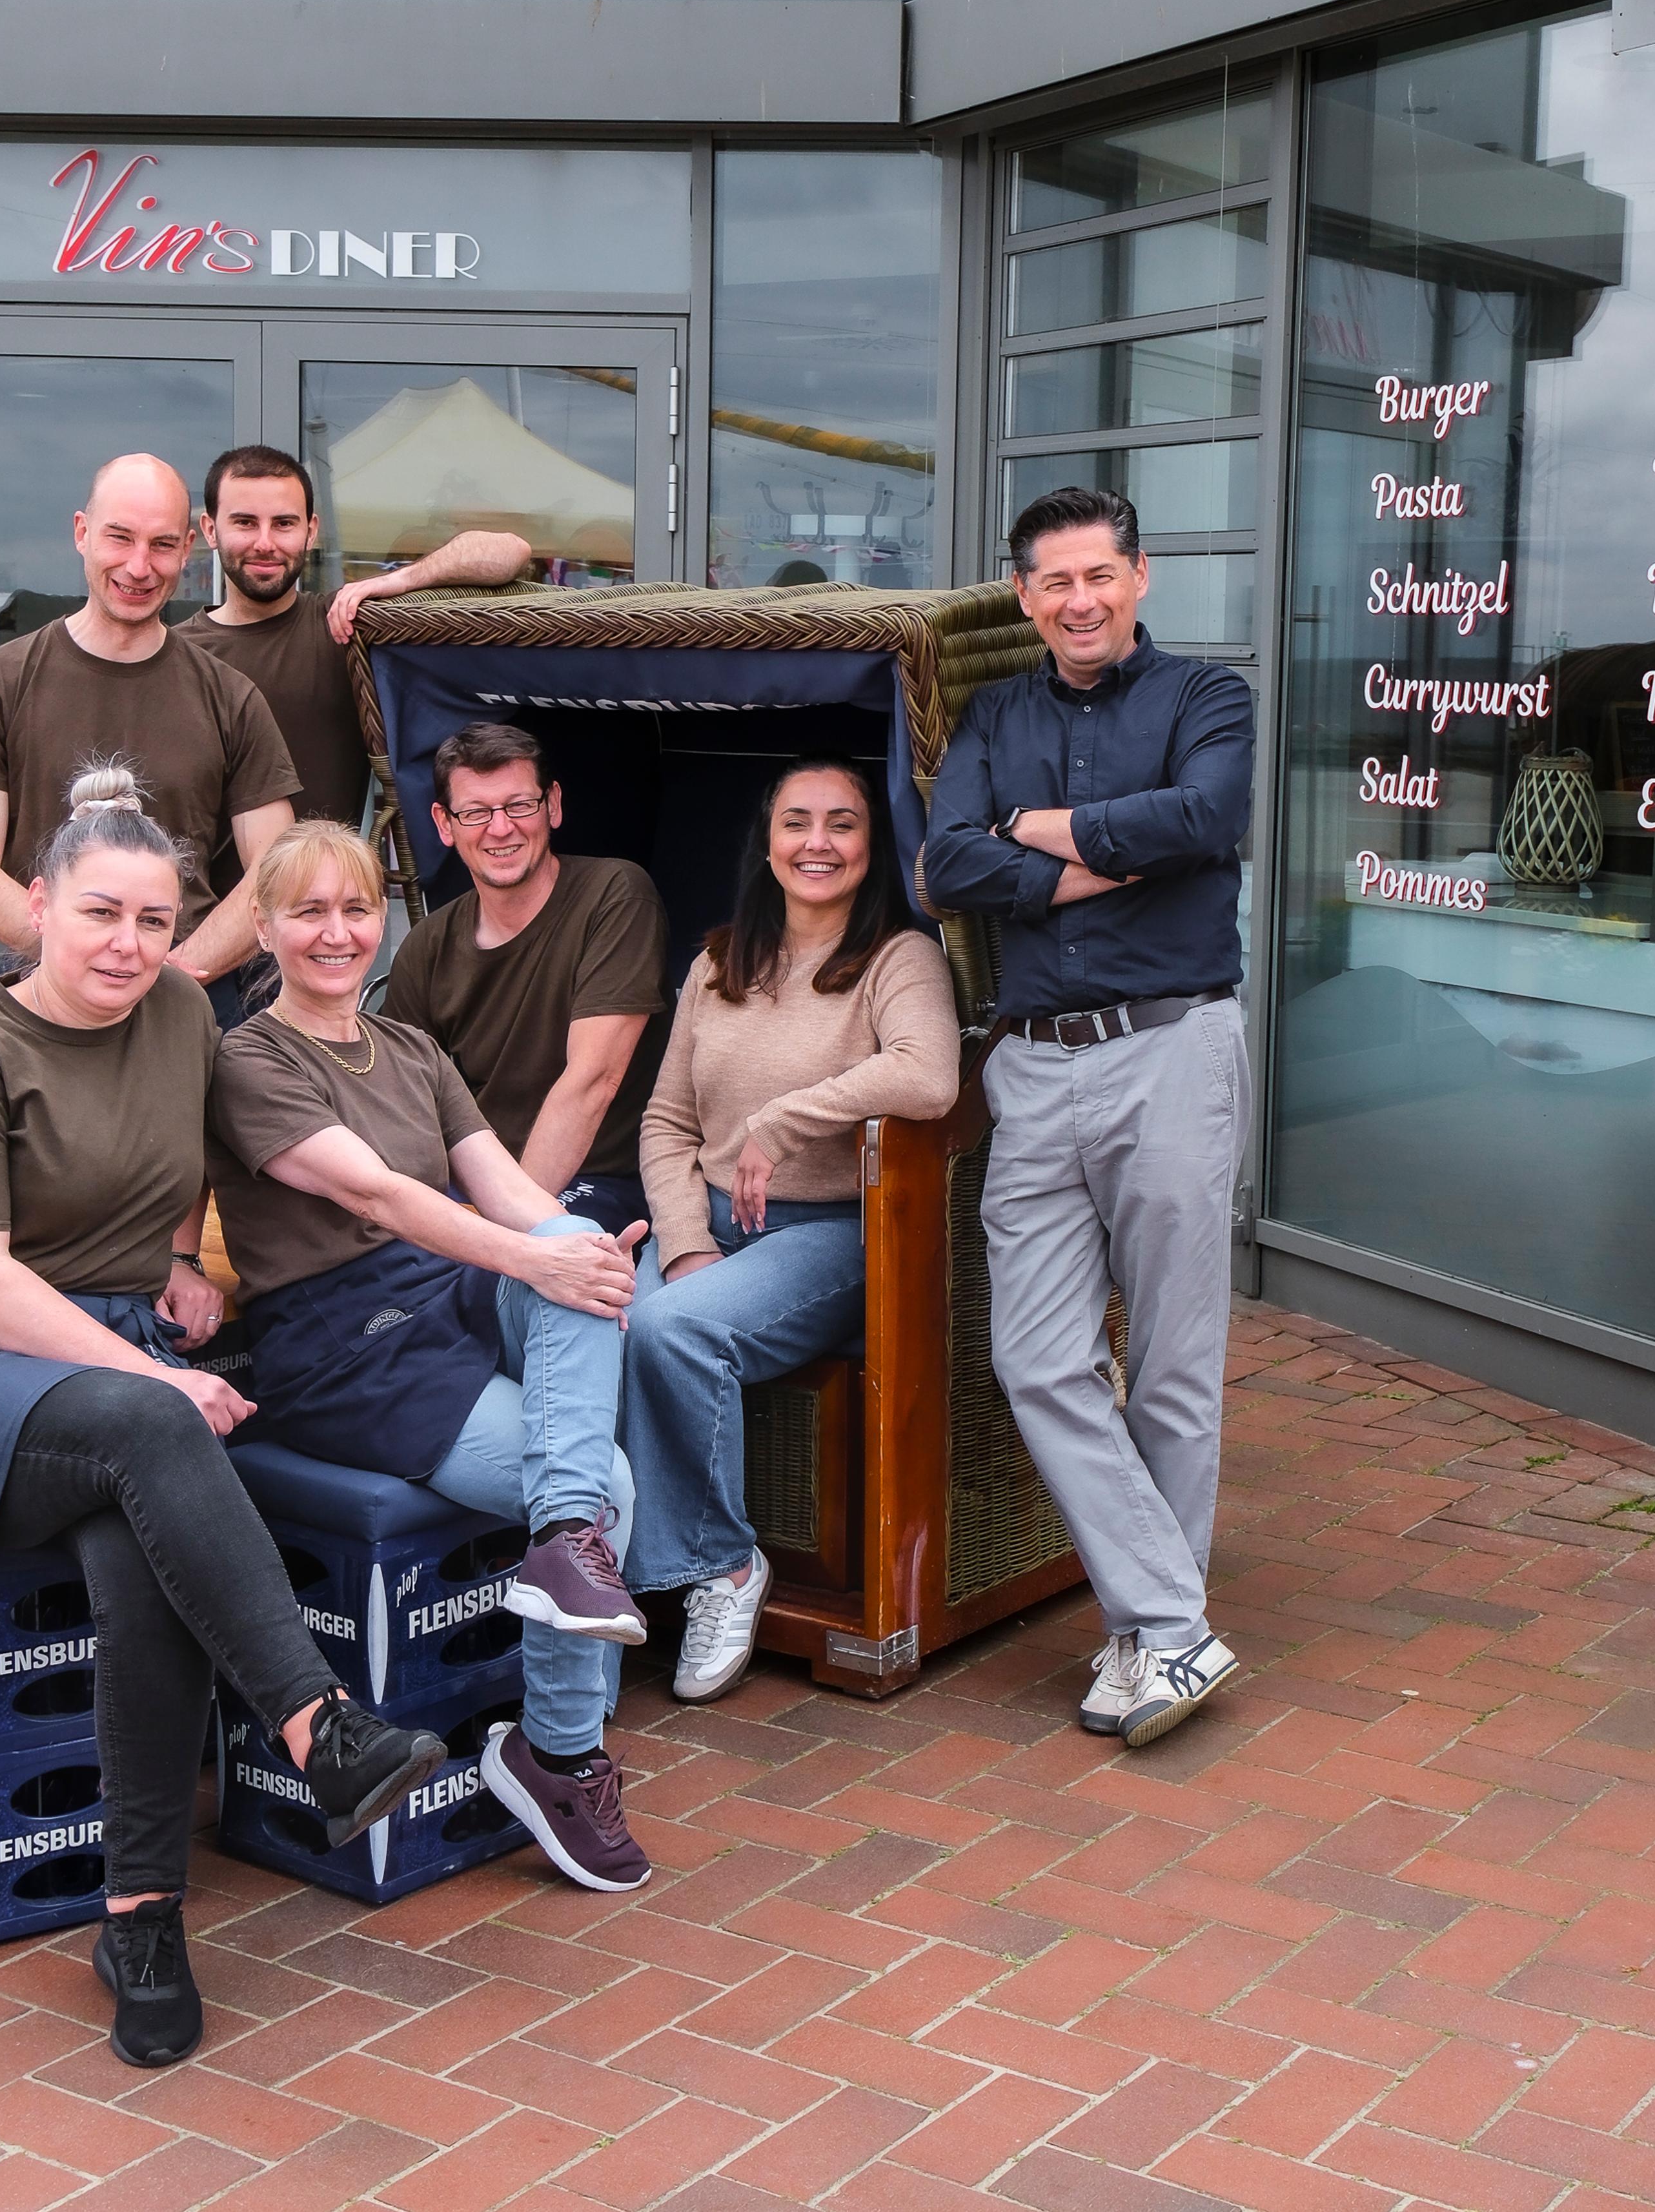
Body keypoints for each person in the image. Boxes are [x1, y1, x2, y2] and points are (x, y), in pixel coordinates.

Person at [0, 767, 447, 2070]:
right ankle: (316, 1724)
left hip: (102, 1359)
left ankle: (142, 1917)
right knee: (157, 1426)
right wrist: (164, 1378)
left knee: (142, 1555)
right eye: (99, 913)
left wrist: (175, 1258)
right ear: (39, 910)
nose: (128, 942)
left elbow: (182, 1154)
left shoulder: (181, 1012)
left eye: (154, 919)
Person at [206, 821, 655, 1894]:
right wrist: (541, 1265)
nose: (335, 931)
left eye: (355, 909)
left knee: (566, 1241)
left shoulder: (411, 1049)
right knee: (614, 1487)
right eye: (308, 911)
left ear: (382, 922)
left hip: (444, 1290)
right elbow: (379, 1195)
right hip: (337, 1341)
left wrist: (583, 1256)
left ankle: (558, 1592)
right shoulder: (248, 1058)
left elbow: (506, 1190)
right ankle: (561, 1754)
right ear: (265, 929)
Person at [922, 485, 1255, 1749]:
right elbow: (945, 862)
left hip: (1171, 1047)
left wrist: (1038, 836)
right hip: (1035, 1067)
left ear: (1139, 576)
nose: (1078, 600)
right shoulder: (994, 712)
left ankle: (1147, 1633)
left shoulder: (1207, 699)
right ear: (1025, 595)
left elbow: (1207, 817)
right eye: (1054, 581)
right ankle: (1173, 1621)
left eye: (1099, 576)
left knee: (1172, 1363)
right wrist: (1117, 852)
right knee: (1038, 1357)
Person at [624, 758, 959, 1702]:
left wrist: (787, 1116)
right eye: (798, 822)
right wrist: (686, 1240)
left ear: (870, 845)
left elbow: (929, 1074)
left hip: (832, 1232)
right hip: (711, 1220)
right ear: (766, 842)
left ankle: (725, 1568)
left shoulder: (900, 959)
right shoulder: (718, 961)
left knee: (673, 1328)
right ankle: (613, 1566)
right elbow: (667, 1123)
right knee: (591, 1318)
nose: (819, 842)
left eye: (843, 823)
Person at [0, 454, 303, 1024]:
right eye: (119, 538)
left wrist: (163, 969)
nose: (139, 566)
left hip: (192, 1001)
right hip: (38, 999)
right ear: (82, 533)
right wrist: (88, 960)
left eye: (161, 544)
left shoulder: (230, 698)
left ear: (186, 550)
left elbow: (275, 871)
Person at [384, 724, 667, 1239]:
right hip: (474, 1181)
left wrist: (503, 1230)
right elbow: (398, 1101)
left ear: (553, 806)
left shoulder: (616, 895)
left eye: (519, 805)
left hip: (597, 1179)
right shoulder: (427, 944)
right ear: (444, 824)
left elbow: (592, 1081)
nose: (500, 828)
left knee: (522, 1269)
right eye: (475, 812)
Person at [182, 445, 532, 830]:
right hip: (205, 890)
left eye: (284, 524)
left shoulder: (344, 624)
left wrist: (400, 580)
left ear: (311, 531)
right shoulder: (176, 654)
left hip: (332, 888)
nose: (265, 543)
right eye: (246, 523)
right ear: (211, 530)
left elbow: (511, 553)